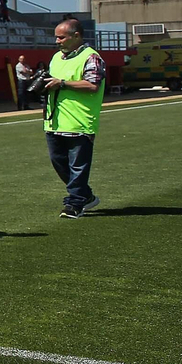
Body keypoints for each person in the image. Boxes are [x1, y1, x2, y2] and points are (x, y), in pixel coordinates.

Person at [42, 19, 105, 218]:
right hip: (55, 120)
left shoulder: (91, 57)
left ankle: (75, 203)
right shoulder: (56, 58)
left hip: (80, 121)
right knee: (58, 162)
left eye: (61, 37)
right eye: (56, 37)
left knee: (78, 165)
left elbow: (92, 84)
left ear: (76, 36)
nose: (57, 41)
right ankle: (85, 195)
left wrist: (62, 83)